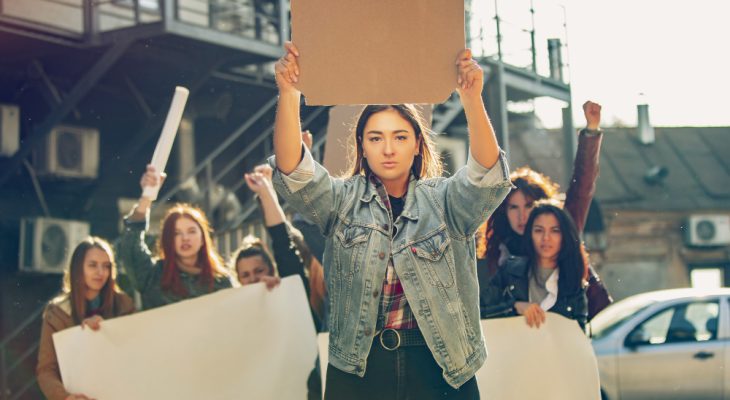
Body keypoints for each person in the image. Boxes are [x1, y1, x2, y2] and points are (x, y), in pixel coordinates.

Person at [270, 42, 512, 398]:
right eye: (376, 138)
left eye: (400, 137)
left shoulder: (445, 201)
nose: (388, 148)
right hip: (359, 368)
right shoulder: (341, 202)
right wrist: (289, 93)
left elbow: (487, 175)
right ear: (362, 146)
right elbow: (293, 171)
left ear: (417, 144)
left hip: (439, 367)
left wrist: (472, 98)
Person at [475, 100, 612, 319]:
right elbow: (483, 310)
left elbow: (582, 187)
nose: (522, 216)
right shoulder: (498, 256)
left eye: (529, 205)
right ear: (503, 213)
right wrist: (515, 307)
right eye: (513, 207)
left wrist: (591, 132)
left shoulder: (559, 227)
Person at [118, 166, 232, 310]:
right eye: (176, 233)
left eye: (191, 231)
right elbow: (130, 246)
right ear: (167, 239)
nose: (185, 238)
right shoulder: (153, 276)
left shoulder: (221, 281)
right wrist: (147, 197)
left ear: (203, 238)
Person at [36, 237, 135, 400]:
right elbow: (46, 370)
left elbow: (134, 355)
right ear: (78, 268)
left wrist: (107, 331)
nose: (100, 272)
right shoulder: (58, 312)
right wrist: (66, 397)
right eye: (92, 265)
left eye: (106, 266)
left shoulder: (124, 305)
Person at [481, 202, 589, 329]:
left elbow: (579, 339)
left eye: (555, 231)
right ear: (529, 234)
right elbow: (478, 313)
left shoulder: (575, 286)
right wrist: (514, 307)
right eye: (539, 230)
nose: (546, 238)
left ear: (564, 236)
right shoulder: (510, 271)